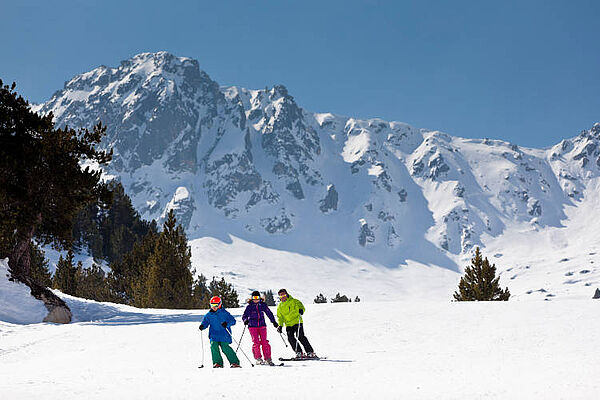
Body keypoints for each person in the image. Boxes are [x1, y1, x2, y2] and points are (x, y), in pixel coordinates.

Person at [199, 295, 241, 368]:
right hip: (214, 335)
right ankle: (217, 363)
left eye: (216, 305)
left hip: (224, 334)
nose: (214, 307)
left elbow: (233, 321)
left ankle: (234, 362)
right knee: (213, 347)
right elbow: (205, 322)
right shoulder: (209, 315)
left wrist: (227, 324)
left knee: (225, 347)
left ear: (220, 304)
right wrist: (203, 326)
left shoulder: (224, 313)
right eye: (212, 305)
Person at [276, 288, 317, 359]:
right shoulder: (280, 307)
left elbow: (301, 307)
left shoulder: (294, 301)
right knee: (290, 338)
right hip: (288, 324)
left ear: (287, 294)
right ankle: (299, 352)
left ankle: (310, 352)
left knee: (300, 336)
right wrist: (280, 325)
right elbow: (280, 317)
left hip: (297, 322)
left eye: (284, 295)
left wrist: (301, 310)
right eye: (281, 296)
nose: (283, 297)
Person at [242, 290, 279, 365]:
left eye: (257, 297)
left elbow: (269, 313)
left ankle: (268, 358)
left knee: (264, 342)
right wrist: (245, 320)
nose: (256, 299)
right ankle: (258, 358)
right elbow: (244, 316)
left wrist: (274, 322)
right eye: (254, 297)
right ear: (252, 298)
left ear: (259, 298)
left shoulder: (263, 305)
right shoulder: (249, 306)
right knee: (256, 342)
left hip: (262, 325)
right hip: (252, 326)